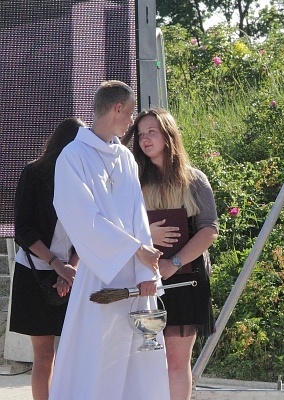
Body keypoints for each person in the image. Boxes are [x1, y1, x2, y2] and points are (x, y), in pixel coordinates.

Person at [49, 80, 169, 400]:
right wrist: (134, 250)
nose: (132, 122)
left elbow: (137, 216)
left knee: (139, 361)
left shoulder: (126, 158)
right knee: (96, 359)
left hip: (136, 276)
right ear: (117, 109)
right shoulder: (73, 158)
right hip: (99, 275)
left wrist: (147, 273)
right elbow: (81, 218)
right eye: (130, 114)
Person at [122, 107, 219, 400]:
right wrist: (148, 236)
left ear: (168, 135)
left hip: (186, 281)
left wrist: (174, 263)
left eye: (152, 132)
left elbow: (209, 230)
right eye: (140, 134)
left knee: (177, 362)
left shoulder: (194, 179)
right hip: (144, 280)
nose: (145, 139)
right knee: (147, 361)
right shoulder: (132, 181)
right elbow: (118, 231)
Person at [10, 117, 83, 400]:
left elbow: (89, 230)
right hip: (35, 270)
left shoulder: (85, 180)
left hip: (71, 273)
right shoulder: (34, 173)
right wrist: (56, 265)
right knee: (43, 354)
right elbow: (23, 230)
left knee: (72, 353)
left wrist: (70, 269)